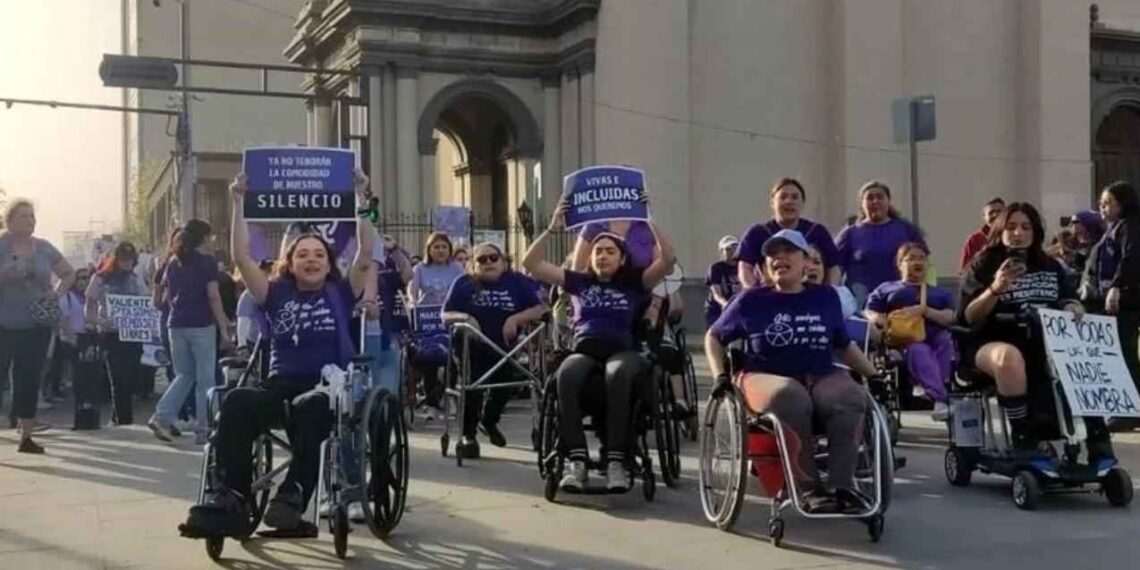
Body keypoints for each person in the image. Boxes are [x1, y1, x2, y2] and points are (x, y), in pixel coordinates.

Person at [180, 169, 374, 536]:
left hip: (326, 386)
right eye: (303, 254)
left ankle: (292, 498)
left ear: (329, 263)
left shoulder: (341, 291)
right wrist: (238, 201)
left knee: (314, 409)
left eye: (319, 254)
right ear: (291, 261)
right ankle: (232, 496)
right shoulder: (275, 292)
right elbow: (241, 257)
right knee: (236, 401)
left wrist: (364, 201)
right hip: (280, 385)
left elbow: (366, 252)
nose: (312, 259)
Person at [705, 229, 881, 513]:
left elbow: (844, 345)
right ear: (764, 265)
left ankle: (841, 486)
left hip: (819, 374)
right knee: (792, 396)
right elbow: (713, 337)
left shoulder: (825, 297)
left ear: (805, 261)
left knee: (850, 395)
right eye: (773, 254)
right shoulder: (750, 300)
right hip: (764, 377)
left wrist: (873, 375)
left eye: (788, 252)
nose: (779, 258)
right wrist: (720, 376)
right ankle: (807, 487)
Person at [524, 204, 675, 492]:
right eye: (598, 251)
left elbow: (668, 259)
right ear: (590, 258)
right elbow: (531, 263)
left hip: (623, 350)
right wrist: (551, 228)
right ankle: (577, 461)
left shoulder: (635, 282)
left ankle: (616, 461)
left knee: (617, 374)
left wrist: (648, 219)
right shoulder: (579, 282)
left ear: (622, 259)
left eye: (610, 251)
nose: (603, 255)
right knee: (565, 375)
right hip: (585, 350)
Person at [958, 202, 1104, 455]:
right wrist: (996, 288)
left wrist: (1072, 308)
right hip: (991, 340)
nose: (1018, 233)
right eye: (1011, 227)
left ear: (1035, 232)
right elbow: (969, 316)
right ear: (1000, 230)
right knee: (1009, 358)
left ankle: (1097, 439)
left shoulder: (1050, 265)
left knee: (1086, 361)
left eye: (1026, 227)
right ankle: (1024, 436)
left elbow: (1067, 298)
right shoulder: (984, 264)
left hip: (1044, 341)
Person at [443, 242, 547, 458]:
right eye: (482, 259)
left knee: (506, 381)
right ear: (473, 264)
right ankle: (468, 436)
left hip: (505, 346)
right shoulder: (463, 283)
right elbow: (444, 315)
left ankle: (489, 421)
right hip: (472, 344)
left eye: (493, 258)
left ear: (503, 261)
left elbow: (540, 308)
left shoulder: (517, 282)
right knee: (472, 384)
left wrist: (516, 318)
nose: (488, 263)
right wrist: (465, 318)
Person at [0, 199, 76, 453]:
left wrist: (56, 293)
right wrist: (8, 272)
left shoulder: (43, 248)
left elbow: (68, 273)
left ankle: (26, 436)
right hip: (3, 324)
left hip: (35, 325)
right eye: (23, 216)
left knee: (29, 378)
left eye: (32, 216)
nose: (29, 221)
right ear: (9, 221)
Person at [149, 219, 233, 445]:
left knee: (184, 374)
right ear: (203, 238)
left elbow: (164, 295)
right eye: (211, 236)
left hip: (176, 323)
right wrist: (223, 326)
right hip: (201, 324)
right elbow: (213, 296)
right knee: (205, 378)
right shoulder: (207, 262)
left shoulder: (173, 262)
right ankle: (204, 428)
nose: (212, 240)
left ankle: (162, 416)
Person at [864, 242, 956, 420]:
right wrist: (876, 318)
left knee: (947, 341)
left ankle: (930, 387)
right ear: (900, 264)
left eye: (922, 258)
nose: (918, 262)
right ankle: (939, 397)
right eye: (911, 258)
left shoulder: (940, 293)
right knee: (918, 349)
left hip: (936, 337)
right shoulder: (887, 289)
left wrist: (925, 311)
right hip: (905, 341)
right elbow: (868, 310)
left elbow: (950, 317)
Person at [1083, 181, 1140, 431]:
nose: (1102, 209)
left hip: (1124, 302)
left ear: (1123, 204)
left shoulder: (1129, 226)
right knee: (1117, 354)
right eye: (1101, 204)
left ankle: (1130, 408)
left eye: (1108, 203)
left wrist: (1116, 286)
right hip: (1106, 302)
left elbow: (1131, 258)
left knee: (1124, 354)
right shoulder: (1111, 229)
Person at [85, 242, 149, 425]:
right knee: (118, 376)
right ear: (115, 259)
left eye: (130, 260)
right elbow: (88, 311)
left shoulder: (137, 280)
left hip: (133, 335)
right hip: (110, 334)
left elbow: (146, 304)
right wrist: (101, 322)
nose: (127, 263)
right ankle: (124, 419)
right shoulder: (100, 279)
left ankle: (117, 415)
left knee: (131, 378)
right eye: (123, 259)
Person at [737, 177, 841, 288]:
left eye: (795, 197)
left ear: (802, 203)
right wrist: (753, 292)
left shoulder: (817, 231)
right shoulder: (757, 233)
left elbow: (834, 267)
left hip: (811, 298)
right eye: (783, 197)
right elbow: (744, 267)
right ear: (772, 203)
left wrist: (829, 292)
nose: (789, 201)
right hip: (770, 297)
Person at [836, 181, 926, 305]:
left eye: (880, 197)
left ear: (888, 201)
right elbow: (835, 269)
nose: (875, 201)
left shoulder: (906, 229)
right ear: (862, 204)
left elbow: (926, 263)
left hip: (901, 301)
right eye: (870, 198)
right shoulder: (850, 233)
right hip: (860, 304)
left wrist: (928, 294)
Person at [45, 267, 89, 402]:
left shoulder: (90, 297)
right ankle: (54, 391)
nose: (84, 281)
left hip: (85, 335)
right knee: (60, 366)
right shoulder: (67, 297)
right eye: (81, 278)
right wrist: (69, 336)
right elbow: (62, 318)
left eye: (87, 278)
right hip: (68, 337)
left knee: (82, 367)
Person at [805, 245, 858, 320]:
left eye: (817, 262)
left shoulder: (840, 296)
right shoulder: (787, 298)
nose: (812, 267)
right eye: (805, 264)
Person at [235, 260, 273, 348]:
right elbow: (243, 319)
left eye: (269, 271)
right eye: (265, 271)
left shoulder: (279, 290)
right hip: (256, 342)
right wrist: (242, 343)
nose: (268, 274)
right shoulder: (249, 294)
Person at [959, 197, 1005, 271]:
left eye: (999, 211)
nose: (995, 215)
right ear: (984, 217)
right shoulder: (974, 240)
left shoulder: (1013, 236)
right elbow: (965, 271)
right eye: (991, 212)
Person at [705, 236, 741, 328]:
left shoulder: (742, 267)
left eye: (734, 248)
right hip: (717, 308)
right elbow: (716, 293)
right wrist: (725, 304)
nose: (732, 252)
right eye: (728, 249)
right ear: (721, 251)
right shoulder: (716, 268)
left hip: (737, 306)